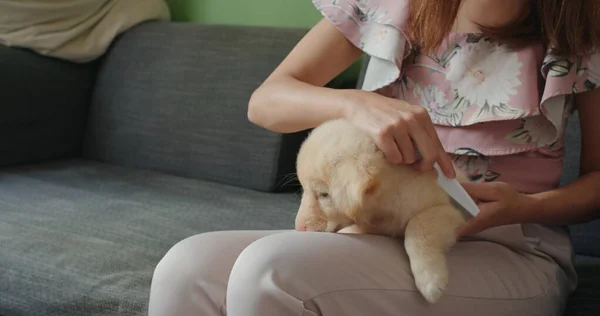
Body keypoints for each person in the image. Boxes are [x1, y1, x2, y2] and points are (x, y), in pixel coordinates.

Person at [147, 0, 600, 315]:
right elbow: (265, 101)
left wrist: (526, 208)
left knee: (271, 272)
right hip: (384, 234)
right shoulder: (395, 7)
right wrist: (353, 103)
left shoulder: (582, 25)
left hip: (513, 249)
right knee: (186, 268)